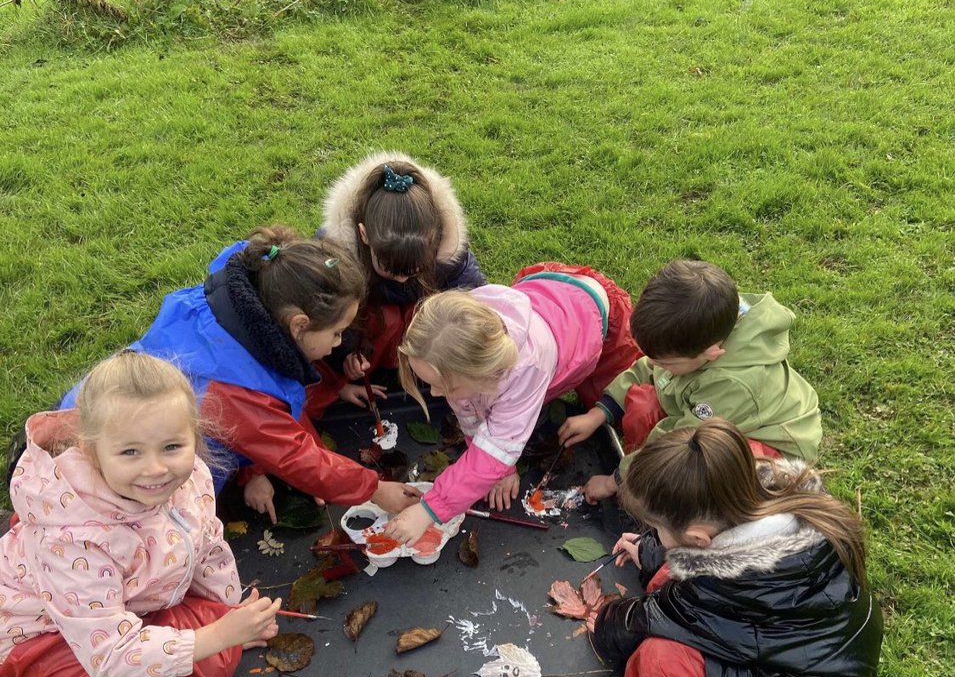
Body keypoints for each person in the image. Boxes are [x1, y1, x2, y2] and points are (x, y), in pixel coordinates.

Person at [0, 353, 282, 677]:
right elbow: (111, 658)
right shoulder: (74, 540)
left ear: (194, 436)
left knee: (214, 668)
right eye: (130, 452)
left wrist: (230, 614)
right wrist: (218, 634)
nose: (156, 469)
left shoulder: (190, 477)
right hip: (41, 633)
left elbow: (208, 547)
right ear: (91, 450)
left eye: (171, 446)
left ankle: (157, 652)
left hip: (123, 601)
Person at [60, 227, 418, 524]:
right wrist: (375, 489)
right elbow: (295, 455)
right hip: (112, 487)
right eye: (337, 333)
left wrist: (252, 470)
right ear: (298, 326)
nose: (339, 343)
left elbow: (266, 422)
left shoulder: (235, 308)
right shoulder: (235, 391)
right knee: (167, 541)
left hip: (103, 416)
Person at [591, 419, 882, 677]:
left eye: (657, 529)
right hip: (813, 669)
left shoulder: (728, 585)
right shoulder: (765, 501)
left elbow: (642, 622)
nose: (655, 534)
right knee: (671, 577)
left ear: (699, 538)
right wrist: (652, 550)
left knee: (661, 663)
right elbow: (692, 562)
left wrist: (603, 621)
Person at [384, 263, 639, 544]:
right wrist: (501, 469)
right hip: (550, 288)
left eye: (444, 386)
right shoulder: (460, 334)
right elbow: (470, 410)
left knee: (615, 400)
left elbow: (498, 446)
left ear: (483, 373)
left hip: (595, 316)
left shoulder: (527, 368)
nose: (433, 393)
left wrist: (428, 510)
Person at [559, 260, 822, 503]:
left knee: (713, 479)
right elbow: (645, 367)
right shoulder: (694, 335)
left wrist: (613, 481)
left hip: (771, 443)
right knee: (643, 405)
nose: (656, 365)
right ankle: (642, 475)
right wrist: (598, 413)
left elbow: (680, 440)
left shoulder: (731, 384)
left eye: (667, 363)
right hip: (708, 412)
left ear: (711, 352)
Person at [314, 152, 486, 406]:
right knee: (386, 320)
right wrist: (347, 356)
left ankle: (420, 363)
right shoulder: (336, 256)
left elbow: (477, 302)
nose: (402, 280)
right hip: (369, 322)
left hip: (418, 316)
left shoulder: (448, 253)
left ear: (434, 238)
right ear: (363, 235)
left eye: (414, 270)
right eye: (390, 269)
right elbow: (327, 319)